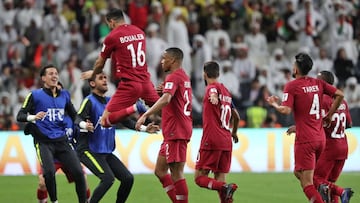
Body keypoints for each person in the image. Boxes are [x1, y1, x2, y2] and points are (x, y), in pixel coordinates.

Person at [266, 53, 344, 203]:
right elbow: (340, 94)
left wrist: (274, 104)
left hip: (305, 140)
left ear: (295, 69)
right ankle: (334, 191)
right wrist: (328, 115)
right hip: (320, 139)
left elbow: (286, 110)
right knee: (299, 173)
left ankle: (338, 192)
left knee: (307, 182)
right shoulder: (318, 83)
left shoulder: (292, 85)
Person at [76, 71, 159, 203]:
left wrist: (144, 128)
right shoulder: (89, 101)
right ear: (92, 83)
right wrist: (84, 125)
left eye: (105, 77)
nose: (105, 80)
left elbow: (125, 121)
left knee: (128, 179)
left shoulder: (111, 103)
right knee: (107, 179)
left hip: (106, 152)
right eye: (100, 78)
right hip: (89, 150)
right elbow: (77, 117)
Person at [17, 64, 91, 203]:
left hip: (62, 142)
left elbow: (74, 115)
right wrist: (32, 117)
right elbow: (20, 115)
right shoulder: (34, 95)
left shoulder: (64, 95)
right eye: (50, 73)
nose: (54, 75)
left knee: (80, 174)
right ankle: (54, 201)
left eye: (56, 73)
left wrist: (82, 125)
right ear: (43, 78)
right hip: (44, 143)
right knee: (48, 174)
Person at [81, 8, 159, 127]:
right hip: (146, 82)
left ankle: (134, 107)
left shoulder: (112, 37)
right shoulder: (140, 32)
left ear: (112, 22)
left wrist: (93, 74)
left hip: (129, 84)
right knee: (164, 109)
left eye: (109, 24)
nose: (109, 27)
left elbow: (100, 64)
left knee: (104, 121)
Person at [135, 47, 193, 203]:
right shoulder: (183, 77)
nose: (161, 61)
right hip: (174, 131)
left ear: (172, 60)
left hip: (177, 130)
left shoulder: (173, 77)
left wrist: (145, 115)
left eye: (164, 58)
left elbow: (167, 99)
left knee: (176, 172)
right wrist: (165, 93)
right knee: (160, 171)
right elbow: (173, 100)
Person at [34, 81, 91, 203]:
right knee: (43, 182)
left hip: (67, 154)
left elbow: (79, 137)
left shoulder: (72, 118)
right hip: (51, 157)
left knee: (83, 179)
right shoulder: (45, 117)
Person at [194, 61, 240, 203]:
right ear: (219, 74)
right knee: (220, 177)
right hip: (226, 141)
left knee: (199, 178)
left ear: (204, 74)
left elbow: (212, 92)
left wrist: (213, 97)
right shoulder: (226, 92)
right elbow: (236, 116)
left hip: (212, 140)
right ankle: (225, 188)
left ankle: (225, 187)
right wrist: (234, 132)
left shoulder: (211, 88)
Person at [314, 71, 354, 203]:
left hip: (329, 147)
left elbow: (317, 122)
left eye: (318, 81)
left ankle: (343, 192)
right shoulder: (342, 101)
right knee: (329, 183)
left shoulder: (322, 100)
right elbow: (349, 124)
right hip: (343, 146)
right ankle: (340, 195)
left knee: (316, 179)